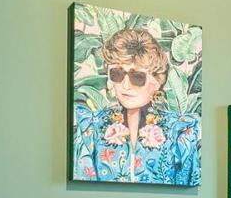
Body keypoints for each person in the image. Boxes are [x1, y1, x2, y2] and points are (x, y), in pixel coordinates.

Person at [73, 26, 199, 184]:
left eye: (137, 77)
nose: (125, 85)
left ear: (157, 80)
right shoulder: (92, 127)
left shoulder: (179, 130)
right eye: (117, 74)